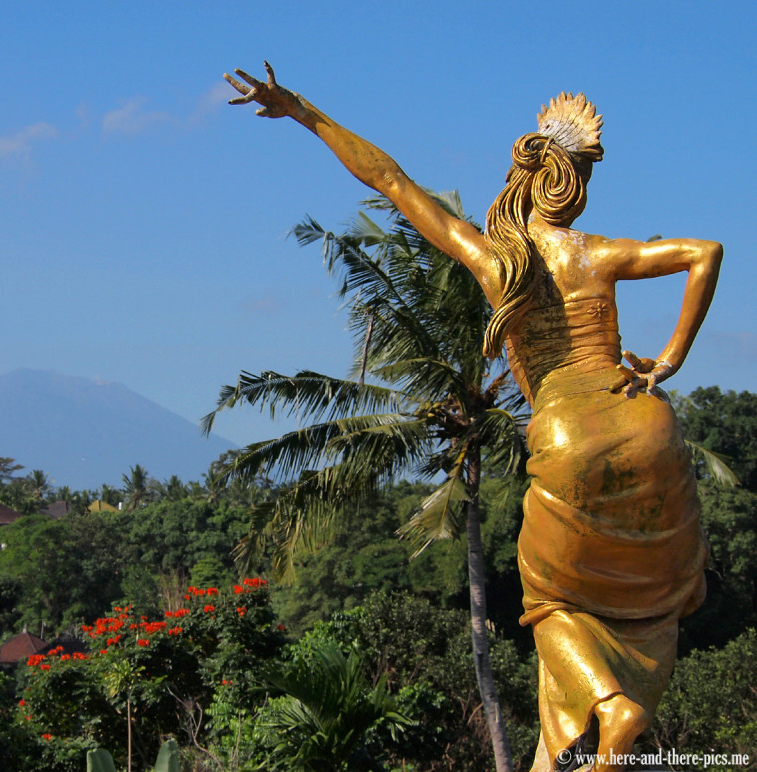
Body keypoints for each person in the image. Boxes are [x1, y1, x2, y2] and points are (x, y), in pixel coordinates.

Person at [225, 63, 721, 772]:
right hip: (644, 420)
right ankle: (584, 741)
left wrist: (304, 111)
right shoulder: (600, 255)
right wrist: (668, 359)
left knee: (552, 604)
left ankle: (611, 706)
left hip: (565, 434)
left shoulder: (496, 263)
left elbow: (390, 181)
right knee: (657, 597)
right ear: (573, 183)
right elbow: (706, 253)